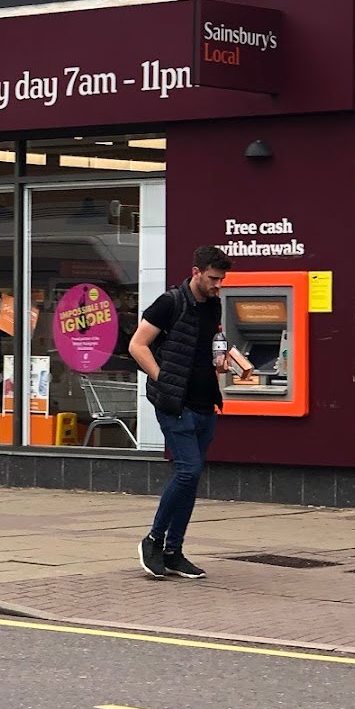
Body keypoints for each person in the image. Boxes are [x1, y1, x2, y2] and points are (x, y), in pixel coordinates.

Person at [128, 245, 236, 580]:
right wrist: (165, 379)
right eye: (213, 278)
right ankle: (153, 540)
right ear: (197, 272)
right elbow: (137, 345)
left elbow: (208, 345)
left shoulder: (213, 305)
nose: (218, 284)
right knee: (188, 472)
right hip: (176, 404)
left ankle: (174, 552)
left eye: (221, 278)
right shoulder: (169, 302)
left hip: (205, 403)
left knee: (192, 478)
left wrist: (221, 359)